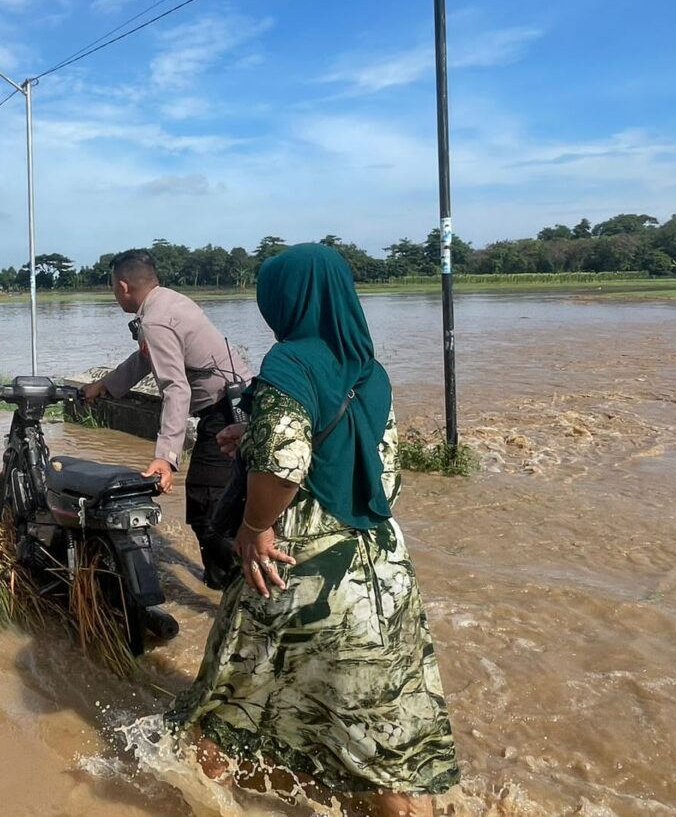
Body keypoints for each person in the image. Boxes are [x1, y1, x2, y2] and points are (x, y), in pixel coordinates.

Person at [166, 244, 458, 816]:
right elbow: (352, 452)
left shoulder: (288, 362)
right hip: (382, 570)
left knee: (224, 704)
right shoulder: (368, 366)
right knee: (378, 729)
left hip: (301, 566)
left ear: (287, 298)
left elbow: (284, 465)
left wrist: (253, 527)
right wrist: (248, 432)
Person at [82, 249, 249, 590]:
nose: (114, 294)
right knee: (224, 502)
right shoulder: (167, 302)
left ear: (123, 286)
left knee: (207, 508)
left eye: (113, 287)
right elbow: (147, 357)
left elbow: (176, 388)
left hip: (223, 413)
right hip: (236, 404)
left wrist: (165, 457)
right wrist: (106, 385)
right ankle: (223, 582)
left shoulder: (155, 320)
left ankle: (238, 588)